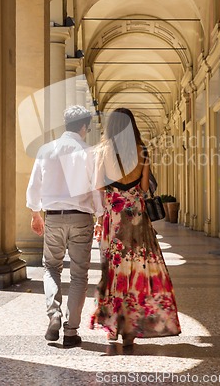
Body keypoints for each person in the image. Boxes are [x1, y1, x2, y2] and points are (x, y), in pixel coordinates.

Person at [90, 108, 181, 346]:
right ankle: (132, 327)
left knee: (113, 272)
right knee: (137, 270)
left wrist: (108, 202)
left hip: (115, 220)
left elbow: (99, 186)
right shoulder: (142, 151)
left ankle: (112, 327)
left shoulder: (103, 151)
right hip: (138, 221)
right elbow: (143, 187)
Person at [26, 105, 104, 348]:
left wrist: (35, 213)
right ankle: (71, 331)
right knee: (80, 274)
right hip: (81, 218)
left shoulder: (46, 150)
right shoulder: (89, 152)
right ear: (84, 127)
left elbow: (34, 184)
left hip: (54, 217)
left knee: (51, 267)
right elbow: (95, 188)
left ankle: (54, 314)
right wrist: (100, 216)